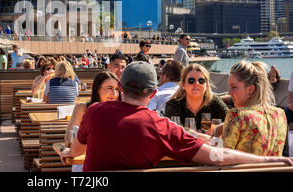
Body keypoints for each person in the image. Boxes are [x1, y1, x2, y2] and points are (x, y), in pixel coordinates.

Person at [60, 61, 293, 171]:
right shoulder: (159, 125)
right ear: (152, 93)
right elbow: (217, 155)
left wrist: (68, 153)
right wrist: (270, 160)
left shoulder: (94, 112)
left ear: (120, 87)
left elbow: (78, 150)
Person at [216, 61, 287, 155]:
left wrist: (215, 135)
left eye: (233, 87)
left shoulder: (236, 115)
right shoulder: (280, 114)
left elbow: (220, 157)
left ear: (250, 89)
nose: (229, 92)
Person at [64, 71, 121, 172]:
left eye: (117, 89)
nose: (114, 94)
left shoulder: (121, 110)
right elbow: (68, 138)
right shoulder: (83, 108)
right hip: (85, 161)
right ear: (97, 89)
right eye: (110, 88)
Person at [165, 63, 228, 130]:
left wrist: (217, 129)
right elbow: (176, 130)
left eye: (201, 81)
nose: (196, 84)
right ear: (183, 85)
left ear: (206, 85)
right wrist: (200, 135)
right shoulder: (173, 105)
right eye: (191, 81)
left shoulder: (215, 102)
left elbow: (232, 121)